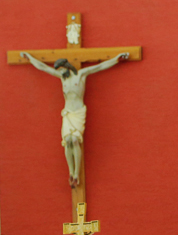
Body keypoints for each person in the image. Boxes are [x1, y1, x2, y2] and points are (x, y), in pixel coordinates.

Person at [19, 51, 129, 188]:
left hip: (77, 113)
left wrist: (116, 59)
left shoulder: (81, 74)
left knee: (75, 140)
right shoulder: (62, 77)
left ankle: (76, 173)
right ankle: (71, 172)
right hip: (68, 113)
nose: (60, 72)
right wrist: (29, 58)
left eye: (62, 69)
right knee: (68, 141)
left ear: (67, 67)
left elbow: (100, 66)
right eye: (59, 70)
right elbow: (43, 67)